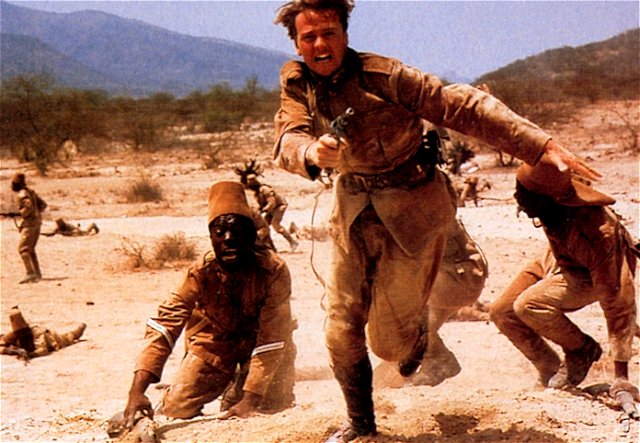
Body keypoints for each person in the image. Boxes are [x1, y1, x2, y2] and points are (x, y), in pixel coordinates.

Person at [272, 0, 600, 440]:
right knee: (339, 323)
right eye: (308, 37)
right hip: (352, 211)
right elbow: (288, 135)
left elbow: (459, 105)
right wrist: (310, 151)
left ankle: (424, 337)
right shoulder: (297, 82)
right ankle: (362, 425)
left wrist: (538, 145)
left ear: (345, 35)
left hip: (412, 209)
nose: (319, 44)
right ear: (297, 43)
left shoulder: (386, 76)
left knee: (388, 344)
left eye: (328, 33)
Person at [123, 181, 296, 430]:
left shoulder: (273, 269)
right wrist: (137, 391)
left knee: (268, 406)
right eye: (219, 232)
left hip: (262, 347)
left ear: (251, 235)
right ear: (211, 237)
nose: (228, 240)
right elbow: (164, 326)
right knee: (176, 408)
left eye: (237, 231)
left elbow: (273, 336)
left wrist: (250, 400)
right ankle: (230, 384)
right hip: (215, 346)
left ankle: (240, 389)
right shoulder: (200, 272)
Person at [490, 162, 638, 412]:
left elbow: (618, 300)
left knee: (529, 305)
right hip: (558, 259)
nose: (517, 197)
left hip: (589, 274)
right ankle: (550, 370)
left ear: (548, 197)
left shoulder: (597, 232)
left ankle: (581, 350)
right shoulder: (548, 206)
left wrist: (621, 376)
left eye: (524, 193)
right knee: (502, 311)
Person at [373, 217, 489, 388]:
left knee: (390, 314)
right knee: (411, 337)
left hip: (454, 278)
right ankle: (424, 361)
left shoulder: (409, 208)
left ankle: (437, 358)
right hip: (457, 276)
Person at [0, 306, 86, 361]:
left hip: (51, 338)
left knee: (68, 338)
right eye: (19, 333)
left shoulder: (37, 333)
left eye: (23, 332)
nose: (21, 335)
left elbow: (43, 350)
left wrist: (30, 355)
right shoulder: (14, 334)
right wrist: (13, 351)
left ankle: (78, 331)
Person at [10, 172, 47, 284]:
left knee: (23, 249)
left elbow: (28, 207)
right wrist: (36, 214)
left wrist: (21, 213)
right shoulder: (30, 192)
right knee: (30, 250)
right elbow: (43, 205)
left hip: (30, 225)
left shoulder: (22, 194)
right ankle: (37, 273)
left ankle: (30, 273)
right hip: (37, 223)